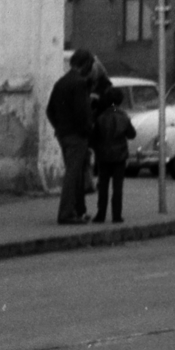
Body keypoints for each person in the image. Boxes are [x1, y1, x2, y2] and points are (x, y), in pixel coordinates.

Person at [46, 48, 95, 224]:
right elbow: (83, 113)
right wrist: (87, 131)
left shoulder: (61, 83)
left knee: (78, 173)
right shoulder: (80, 83)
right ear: (86, 64)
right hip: (77, 136)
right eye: (91, 64)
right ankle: (66, 213)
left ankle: (79, 210)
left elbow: (49, 110)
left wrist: (59, 128)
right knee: (73, 174)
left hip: (63, 134)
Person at [91, 86, 135, 225]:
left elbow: (94, 137)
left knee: (103, 186)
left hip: (103, 155)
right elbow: (132, 134)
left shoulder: (101, 117)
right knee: (118, 187)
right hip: (120, 156)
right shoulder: (123, 116)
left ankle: (101, 214)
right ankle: (117, 215)